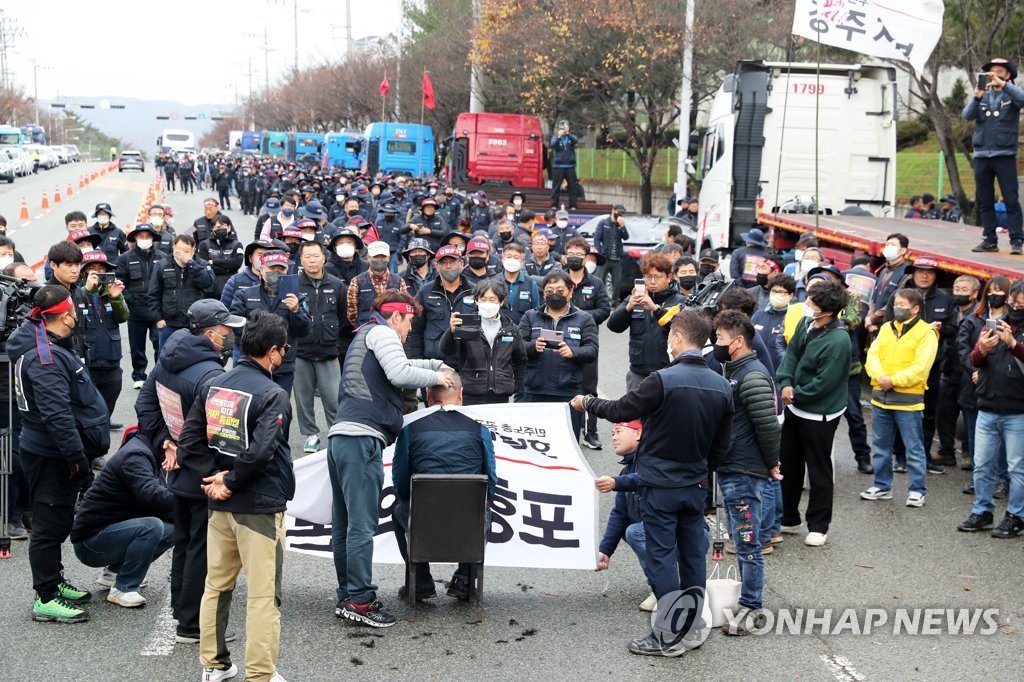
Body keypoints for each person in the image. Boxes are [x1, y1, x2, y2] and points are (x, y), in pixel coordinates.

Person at [571, 310, 732, 656]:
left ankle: (667, 635)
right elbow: (721, 446)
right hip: (695, 485)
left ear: (676, 338)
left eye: (669, 336)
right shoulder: (722, 385)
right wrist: (703, 475)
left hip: (659, 485)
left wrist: (586, 402)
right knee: (692, 558)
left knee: (661, 559)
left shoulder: (662, 379)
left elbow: (620, 410)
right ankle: (690, 626)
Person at [178, 310, 294, 682]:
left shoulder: (215, 385)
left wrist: (213, 480)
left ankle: (213, 666)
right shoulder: (273, 394)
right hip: (258, 507)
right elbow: (262, 452)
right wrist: (231, 480)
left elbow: (188, 442)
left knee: (216, 585)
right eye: (283, 350)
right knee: (263, 596)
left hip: (219, 505)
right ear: (274, 352)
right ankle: (260, 674)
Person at [328, 291, 453, 628]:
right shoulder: (383, 332)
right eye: (409, 319)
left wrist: (434, 364)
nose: (411, 328)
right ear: (395, 315)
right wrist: (437, 378)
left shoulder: (368, 333)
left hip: (342, 437)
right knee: (361, 526)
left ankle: (347, 595)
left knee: (344, 524)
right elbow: (399, 372)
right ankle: (362, 600)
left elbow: (401, 365)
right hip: (361, 439)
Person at [135, 298, 243, 644]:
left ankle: (180, 611)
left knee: (184, 544)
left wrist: (165, 442)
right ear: (211, 334)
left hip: (178, 469)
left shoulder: (166, 360)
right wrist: (214, 469)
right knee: (202, 548)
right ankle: (192, 623)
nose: (230, 337)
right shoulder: (210, 375)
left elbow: (144, 404)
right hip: (201, 472)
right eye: (227, 330)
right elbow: (217, 432)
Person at [9, 285, 111, 624]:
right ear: (65, 315)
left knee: (57, 519)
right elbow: (57, 416)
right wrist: (78, 460)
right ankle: (46, 596)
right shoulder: (44, 358)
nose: (76, 316)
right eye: (73, 312)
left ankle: (55, 579)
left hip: (53, 452)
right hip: (52, 455)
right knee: (49, 525)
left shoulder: (47, 345)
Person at [391, 369, 496, 600]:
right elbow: (492, 480)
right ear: (461, 395)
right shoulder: (480, 430)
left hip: (422, 520)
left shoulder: (410, 430)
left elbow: (399, 481)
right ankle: (466, 579)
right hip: (467, 523)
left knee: (398, 510)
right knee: (484, 511)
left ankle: (420, 580)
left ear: (428, 395)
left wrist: (405, 498)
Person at [713, 310, 781, 635]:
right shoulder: (735, 372)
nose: (716, 344)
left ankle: (751, 607)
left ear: (737, 341)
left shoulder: (751, 375)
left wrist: (772, 463)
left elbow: (768, 426)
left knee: (746, 540)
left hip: (744, 471)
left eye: (720, 338)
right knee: (742, 539)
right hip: (733, 467)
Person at [776, 281, 851, 547]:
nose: (807, 305)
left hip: (820, 414)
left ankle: (819, 525)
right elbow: (791, 355)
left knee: (818, 470)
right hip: (795, 407)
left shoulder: (839, 340)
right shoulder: (806, 324)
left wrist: (797, 393)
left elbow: (825, 382)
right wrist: (785, 382)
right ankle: (789, 516)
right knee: (789, 463)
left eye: (813, 303)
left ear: (828, 311)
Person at [70, 430, 174, 608]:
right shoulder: (136, 456)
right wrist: (191, 504)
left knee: (176, 527)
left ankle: (114, 572)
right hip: (90, 543)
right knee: (152, 526)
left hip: (109, 532)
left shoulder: (148, 451)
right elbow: (153, 497)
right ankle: (123, 588)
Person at [860, 288, 939, 508]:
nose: (897, 308)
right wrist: (880, 377)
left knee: (913, 447)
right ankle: (882, 486)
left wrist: (893, 380)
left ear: (915, 309)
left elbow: (921, 368)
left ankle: (917, 490)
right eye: (896, 303)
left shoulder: (926, 333)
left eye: (903, 305)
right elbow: (873, 356)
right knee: (881, 445)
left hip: (908, 401)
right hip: (881, 398)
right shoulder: (886, 328)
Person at [958, 279, 1024, 538]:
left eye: (1021, 302)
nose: (1016, 306)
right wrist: (982, 350)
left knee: (1017, 468)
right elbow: (974, 358)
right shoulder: (994, 323)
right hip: (987, 406)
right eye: (1014, 301)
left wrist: (1013, 344)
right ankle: (982, 511)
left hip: (1018, 411)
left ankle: (1016, 516)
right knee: (982, 465)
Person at [230, 250, 312, 395]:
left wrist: (296, 310)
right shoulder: (245, 295)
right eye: (272, 269)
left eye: (281, 269)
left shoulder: (297, 297)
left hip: (283, 366)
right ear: (261, 270)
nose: (277, 272)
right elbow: (236, 327)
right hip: (252, 363)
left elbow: (305, 331)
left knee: (278, 408)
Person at [957, 276, 1011, 495]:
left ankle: (1001, 478)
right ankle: (978, 477)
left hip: (1001, 389)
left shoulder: (1012, 322)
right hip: (973, 388)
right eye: (990, 291)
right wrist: (975, 370)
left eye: (999, 291)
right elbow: (962, 349)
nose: (993, 295)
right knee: (975, 435)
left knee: (1002, 437)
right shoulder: (974, 318)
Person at [964, 57, 1024, 254]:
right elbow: (967, 115)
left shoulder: (1011, 95)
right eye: (991, 72)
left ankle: (1016, 240)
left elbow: (1022, 99)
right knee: (985, 201)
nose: (995, 75)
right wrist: (976, 97)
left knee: (1011, 200)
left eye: (1000, 71)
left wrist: (1004, 86)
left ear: (1007, 75)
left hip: (1004, 154)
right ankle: (989, 239)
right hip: (982, 155)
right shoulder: (983, 96)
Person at [594, 421, 655, 612]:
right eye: (612, 433)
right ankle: (662, 585)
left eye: (619, 431)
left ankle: (668, 588)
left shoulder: (653, 459)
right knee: (629, 528)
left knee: (635, 532)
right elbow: (619, 513)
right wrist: (605, 550)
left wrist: (617, 482)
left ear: (638, 434)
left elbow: (647, 477)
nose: (613, 437)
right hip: (665, 535)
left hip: (686, 534)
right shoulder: (627, 469)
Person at [440, 278, 527, 405]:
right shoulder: (466, 324)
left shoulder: (511, 328)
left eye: (492, 299)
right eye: (483, 299)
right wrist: (451, 331)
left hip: (500, 394)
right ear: (476, 300)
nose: (487, 303)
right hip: (471, 391)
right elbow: (446, 350)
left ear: (501, 302)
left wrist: (516, 385)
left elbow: (520, 359)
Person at [606, 252, 684, 391]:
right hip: (638, 372)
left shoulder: (679, 301)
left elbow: (684, 329)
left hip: (669, 371)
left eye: (657, 277)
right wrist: (628, 307)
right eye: (648, 277)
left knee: (666, 412)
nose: (652, 281)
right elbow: (613, 326)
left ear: (669, 277)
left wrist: (655, 309)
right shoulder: (634, 298)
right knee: (633, 412)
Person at [295, 241, 346, 454]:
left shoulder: (336, 285)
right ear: (301, 260)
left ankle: (337, 432)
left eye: (316, 256)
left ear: (324, 258)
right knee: (303, 397)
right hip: (301, 352)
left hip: (328, 352)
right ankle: (311, 435)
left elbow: (344, 318)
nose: (312, 260)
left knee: (333, 397)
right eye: (307, 256)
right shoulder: (294, 285)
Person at [74, 250, 129, 426]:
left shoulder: (110, 292)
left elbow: (123, 317)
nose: (97, 273)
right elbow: (74, 318)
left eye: (101, 269)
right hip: (89, 357)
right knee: (87, 397)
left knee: (114, 387)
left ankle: (104, 419)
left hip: (111, 356)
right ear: (84, 273)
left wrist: (117, 298)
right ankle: (93, 424)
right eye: (92, 270)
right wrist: (87, 291)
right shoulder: (78, 292)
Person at [409, 246, 476, 367]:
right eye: (444, 262)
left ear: (461, 263)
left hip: (467, 363)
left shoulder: (474, 291)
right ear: (436, 265)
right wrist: (417, 361)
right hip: (434, 363)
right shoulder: (425, 292)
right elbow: (415, 329)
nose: (448, 266)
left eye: (453, 261)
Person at [117, 224, 165, 389]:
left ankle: (159, 375)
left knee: (159, 343)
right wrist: (130, 299)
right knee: (136, 345)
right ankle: (139, 376)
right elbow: (120, 282)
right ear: (135, 238)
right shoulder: (125, 258)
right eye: (141, 236)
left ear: (152, 238)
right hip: (135, 309)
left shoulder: (162, 257)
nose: (144, 239)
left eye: (147, 236)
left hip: (156, 308)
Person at [150, 235, 215, 348]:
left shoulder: (202, 264)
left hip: (195, 324)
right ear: (173, 247)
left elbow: (207, 283)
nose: (181, 255)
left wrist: (191, 263)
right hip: (169, 323)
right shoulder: (162, 265)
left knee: (194, 357)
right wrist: (158, 319)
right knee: (166, 358)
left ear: (193, 250)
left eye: (186, 251)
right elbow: (153, 294)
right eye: (178, 251)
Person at [346, 241, 407, 327]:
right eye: (376, 257)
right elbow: (351, 313)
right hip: (366, 331)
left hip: (392, 331)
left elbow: (404, 309)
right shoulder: (356, 282)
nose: (379, 260)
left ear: (388, 258)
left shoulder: (399, 281)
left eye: (383, 257)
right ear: (368, 257)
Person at [865, 233, 911, 333]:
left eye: (893, 245)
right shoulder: (883, 271)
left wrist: (873, 318)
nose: (889, 247)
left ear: (903, 250)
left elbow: (896, 301)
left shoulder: (906, 273)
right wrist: (869, 318)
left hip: (890, 326)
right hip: (875, 326)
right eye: (887, 245)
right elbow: (874, 299)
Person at [198, 213, 244, 301]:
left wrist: (214, 262)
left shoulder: (237, 245)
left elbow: (236, 264)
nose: (220, 229)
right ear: (212, 229)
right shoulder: (204, 243)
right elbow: (203, 265)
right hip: (210, 289)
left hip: (230, 288)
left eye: (223, 226)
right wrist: (227, 268)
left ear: (229, 227)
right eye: (217, 227)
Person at [496, 242, 540, 324]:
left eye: (516, 257)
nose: (512, 260)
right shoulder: (493, 282)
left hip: (522, 331)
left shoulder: (530, 283)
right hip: (498, 330)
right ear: (502, 259)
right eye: (509, 257)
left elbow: (536, 312)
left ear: (522, 261)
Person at [593, 205, 630, 304]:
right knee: (600, 279)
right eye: (619, 212)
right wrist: (601, 252)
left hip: (616, 258)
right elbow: (596, 239)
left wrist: (622, 226)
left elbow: (626, 237)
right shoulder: (604, 223)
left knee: (617, 282)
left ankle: (615, 301)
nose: (620, 214)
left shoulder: (619, 225)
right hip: (605, 258)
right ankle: (597, 300)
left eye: (622, 213)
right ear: (613, 211)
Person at [549, 120, 580, 209]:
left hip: (570, 166)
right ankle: (554, 205)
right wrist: (559, 136)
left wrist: (567, 134)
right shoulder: (556, 137)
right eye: (562, 126)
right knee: (556, 187)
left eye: (565, 126)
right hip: (558, 166)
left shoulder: (571, 137)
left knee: (572, 187)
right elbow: (553, 144)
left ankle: (573, 205)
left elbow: (575, 140)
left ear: (568, 127)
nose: (563, 128)